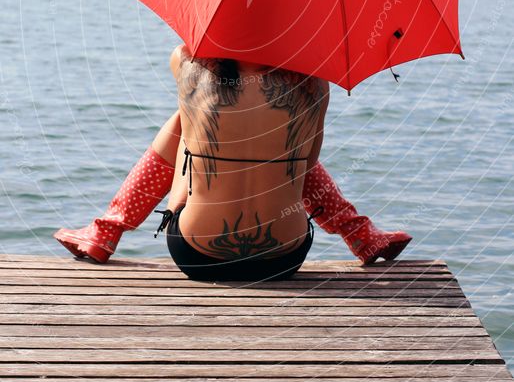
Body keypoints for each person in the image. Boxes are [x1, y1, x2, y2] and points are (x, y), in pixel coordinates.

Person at [54, 46, 411, 277]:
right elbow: (305, 167)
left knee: (183, 122)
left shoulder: (189, 63)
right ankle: (359, 234)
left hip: (197, 253)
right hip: (284, 258)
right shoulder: (313, 81)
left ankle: (106, 230)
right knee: (291, 149)